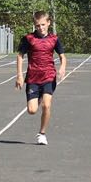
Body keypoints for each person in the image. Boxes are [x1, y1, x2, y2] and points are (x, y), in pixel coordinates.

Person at [16, 9, 67, 145]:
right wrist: (20, 76)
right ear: (35, 25)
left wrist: (62, 67)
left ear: (48, 23)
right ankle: (37, 97)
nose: (41, 28)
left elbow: (62, 56)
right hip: (33, 77)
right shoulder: (28, 39)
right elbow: (20, 56)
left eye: (43, 25)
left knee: (46, 105)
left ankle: (42, 133)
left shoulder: (54, 39)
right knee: (32, 110)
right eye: (38, 25)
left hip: (49, 76)